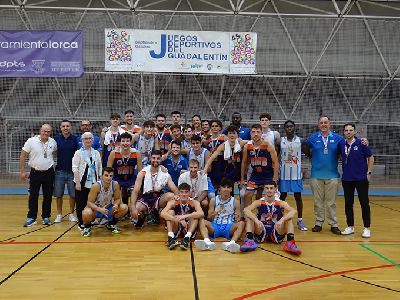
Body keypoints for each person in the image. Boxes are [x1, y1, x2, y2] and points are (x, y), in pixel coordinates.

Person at [302, 115, 343, 235]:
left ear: (330, 124)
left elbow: (344, 149)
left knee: (331, 202)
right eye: (321, 123)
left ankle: (333, 224)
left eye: (326, 122)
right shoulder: (313, 138)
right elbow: (304, 146)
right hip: (316, 175)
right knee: (317, 201)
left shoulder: (338, 138)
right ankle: (318, 223)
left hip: (332, 175)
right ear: (318, 125)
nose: (324, 125)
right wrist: (310, 156)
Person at [240, 181, 302, 255]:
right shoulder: (259, 202)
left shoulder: (280, 203)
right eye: (267, 188)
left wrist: (282, 220)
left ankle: (290, 243)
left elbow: (293, 211)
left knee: (288, 218)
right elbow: (246, 210)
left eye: (271, 188)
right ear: (264, 189)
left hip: (277, 230)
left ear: (275, 189)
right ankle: (249, 241)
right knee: (250, 216)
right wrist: (256, 220)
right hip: (261, 230)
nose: (269, 190)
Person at [339, 123, 374, 238]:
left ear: (354, 132)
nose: (348, 132)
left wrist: (369, 172)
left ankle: (367, 228)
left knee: (364, 203)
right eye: (346, 130)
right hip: (347, 179)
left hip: (361, 179)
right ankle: (350, 227)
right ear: (344, 132)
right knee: (348, 204)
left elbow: (371, 157)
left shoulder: (361, 143)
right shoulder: (341, 143)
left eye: (350, 130)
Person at [20, 124, 57, 227]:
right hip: (35, 173)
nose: (46, 133)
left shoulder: (53, 142)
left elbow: (55, 152)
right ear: (40, 131)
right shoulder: (31, 141)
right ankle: (31, 217)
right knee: (33, 196)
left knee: (48, 196)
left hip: (49, 173)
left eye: (48, 131)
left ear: (50, 132)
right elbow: (23, 155)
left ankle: (46, 216)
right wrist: (23, 171)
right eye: (44, 131)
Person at [194, 178, 244, 253]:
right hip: (215, 226)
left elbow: (238, 218)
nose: (226, 189)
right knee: (201, 220)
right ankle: (207, 242)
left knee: (242, 223)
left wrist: (237, 217)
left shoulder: (235, 201)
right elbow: (209, 218)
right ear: (220, 188)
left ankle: (231, 243)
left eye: (228, 187)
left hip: (229, 226)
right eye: (224, 187)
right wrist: (215, 212)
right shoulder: (214, 200)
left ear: (231, 189)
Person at [130, 150, 179, 227]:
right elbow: (135, 191)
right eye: (154, 158)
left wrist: (177, 196)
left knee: (171, 196)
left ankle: (161, 215)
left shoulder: (165, 173)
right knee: (137, 208)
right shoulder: (143, 172)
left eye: (158, 158)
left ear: (161, 159)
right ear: (150, 158)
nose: (155, 160)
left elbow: (174, 188)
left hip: (158, 197)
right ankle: (144, 216)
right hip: (145, 197)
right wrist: (133, 207)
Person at [81, 167, 128, 237]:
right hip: (96, 209)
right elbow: (89, 203)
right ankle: (87, 227)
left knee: (124, 207)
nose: (108, 178)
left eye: (110, 176)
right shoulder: (96, 186)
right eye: (106, 175)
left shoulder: (115, 184)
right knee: (86, 212)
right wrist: (99, 209)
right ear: (101, 176)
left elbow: (117, 199)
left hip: (108, 209)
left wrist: (115, 204)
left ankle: (111, 224)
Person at [241, 124, 279, 208]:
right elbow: (244, 163)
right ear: (250, 133)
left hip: (268, 174)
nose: (256, 134)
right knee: (247, 194)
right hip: (256, 175)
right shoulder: (247, 146)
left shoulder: (268, 145)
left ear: (262, 133)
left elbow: (276, 162)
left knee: (271, 197)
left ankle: (269, 216)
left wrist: (275, 179)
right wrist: (242, 179)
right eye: (253, 132)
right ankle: (248, 219)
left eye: (258, 132)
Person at [279, 120, 307, 231]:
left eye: (291, 126)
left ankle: (300, 220)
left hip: (296, 174)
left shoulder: (301, 141)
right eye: (287, 127)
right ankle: (279, 218)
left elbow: (308, 154)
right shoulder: (280, 141)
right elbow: (276, 155)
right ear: (284, 129)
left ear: (294, 127)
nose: (289, 128)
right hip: (284, 174)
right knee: (282, 197)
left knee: (298, 197)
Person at [72, 132, 102, 229]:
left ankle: (91, 220)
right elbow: (75, 168)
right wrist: (77, 182)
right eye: (86, 139)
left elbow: (99, 167)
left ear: (93, 140)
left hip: (93, 182)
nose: (88, 140)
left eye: (90, 138)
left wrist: (99, 181)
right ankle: (81, 222)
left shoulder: (96, 153)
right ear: (82, 140)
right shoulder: (78, 153)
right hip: (81, 181)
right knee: (80, 203)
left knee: (92, 202)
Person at [160, 183, 204, 250]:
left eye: (186, 192)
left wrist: (185, 216)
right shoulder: (173, 202)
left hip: (188, 227)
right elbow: (162, 213)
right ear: (179, 193)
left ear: (189, 193)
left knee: (196, 214)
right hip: (177, 226)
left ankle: (186, 238)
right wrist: (177, 219)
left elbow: (201, 213)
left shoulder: (194, 202)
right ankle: (171, 237)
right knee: (170, 212)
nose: (184, 194)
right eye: (181, 192)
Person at [107, 132, 142, 212]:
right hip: (117, 178)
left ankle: (133, 210)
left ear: (131, 142)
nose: (125, 143)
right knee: (117, 194)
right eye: (123, 141)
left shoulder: (136, 153)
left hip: (131, 178)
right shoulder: (113, 153)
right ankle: (120, 211)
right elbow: (108, 170)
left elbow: (140, 171)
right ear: (119, 143)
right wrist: (109, 183)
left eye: (127, 141)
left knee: (135, 191)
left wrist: (139, 184)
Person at [53, 120, 79, 223]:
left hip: (72, 172)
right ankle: (59, 214)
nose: (65, 128)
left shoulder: (75, 139)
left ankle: (72, 214)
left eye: (67, 126)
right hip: (59, 171)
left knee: (72, 194)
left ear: (70, 127)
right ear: (60, 128)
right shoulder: (56, 139)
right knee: (58, 194)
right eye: (63, 126)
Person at [204, 120, 226, 191]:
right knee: (213, 190)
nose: (214, 128)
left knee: (224, 189)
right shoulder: (208, 140)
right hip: (212, 167)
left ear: (220, 128)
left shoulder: (224, 138)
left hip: (222, 166)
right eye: (212, 126)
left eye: (216, 126)